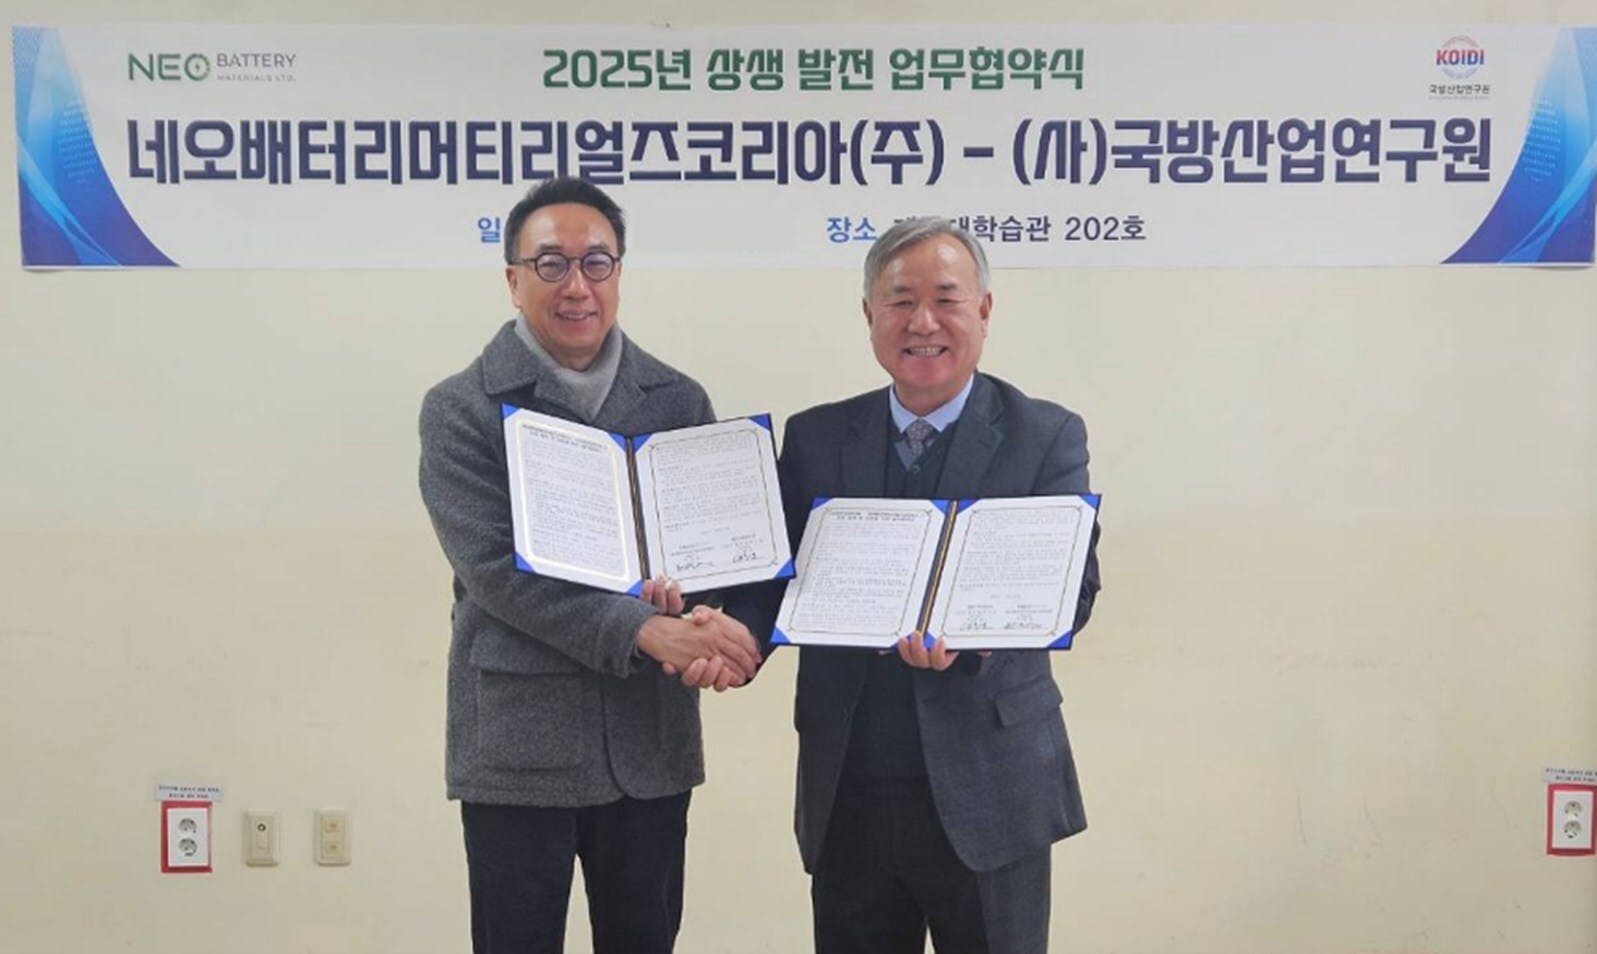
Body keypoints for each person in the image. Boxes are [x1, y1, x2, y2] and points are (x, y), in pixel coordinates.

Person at [724, 217, 1103, 954]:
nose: (922, 322)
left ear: (983, 311)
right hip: (851, 785)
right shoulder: (817, 436)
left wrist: (975, 639)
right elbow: (774, 579)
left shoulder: (1043, 435)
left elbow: (1072, 589)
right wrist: (733, 635)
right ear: (868, 314)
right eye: (900, 301)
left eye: (945, 299)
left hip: (991, 786)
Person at [418, 176, 759, 954]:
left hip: (649, 743)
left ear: (618, 273)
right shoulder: (462, 408)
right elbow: (495, 571)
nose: (576, 286)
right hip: (518, 746)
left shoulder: (677, 401)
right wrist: (645, 630)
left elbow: (709, 550)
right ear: (513, 279)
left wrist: (703, 615)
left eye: (596, 263)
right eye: (551, 264)